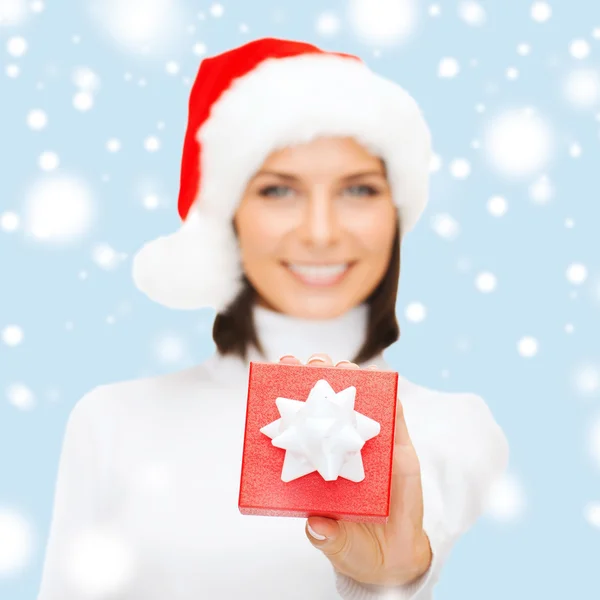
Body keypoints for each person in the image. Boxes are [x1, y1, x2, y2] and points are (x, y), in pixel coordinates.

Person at [37, 38, 509, 599]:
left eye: (358, 188)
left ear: (395, 208)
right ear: (226, 214)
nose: (320, 232)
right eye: (278, 189)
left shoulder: (456, 428)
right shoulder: (111, 420)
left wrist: (391, 581)